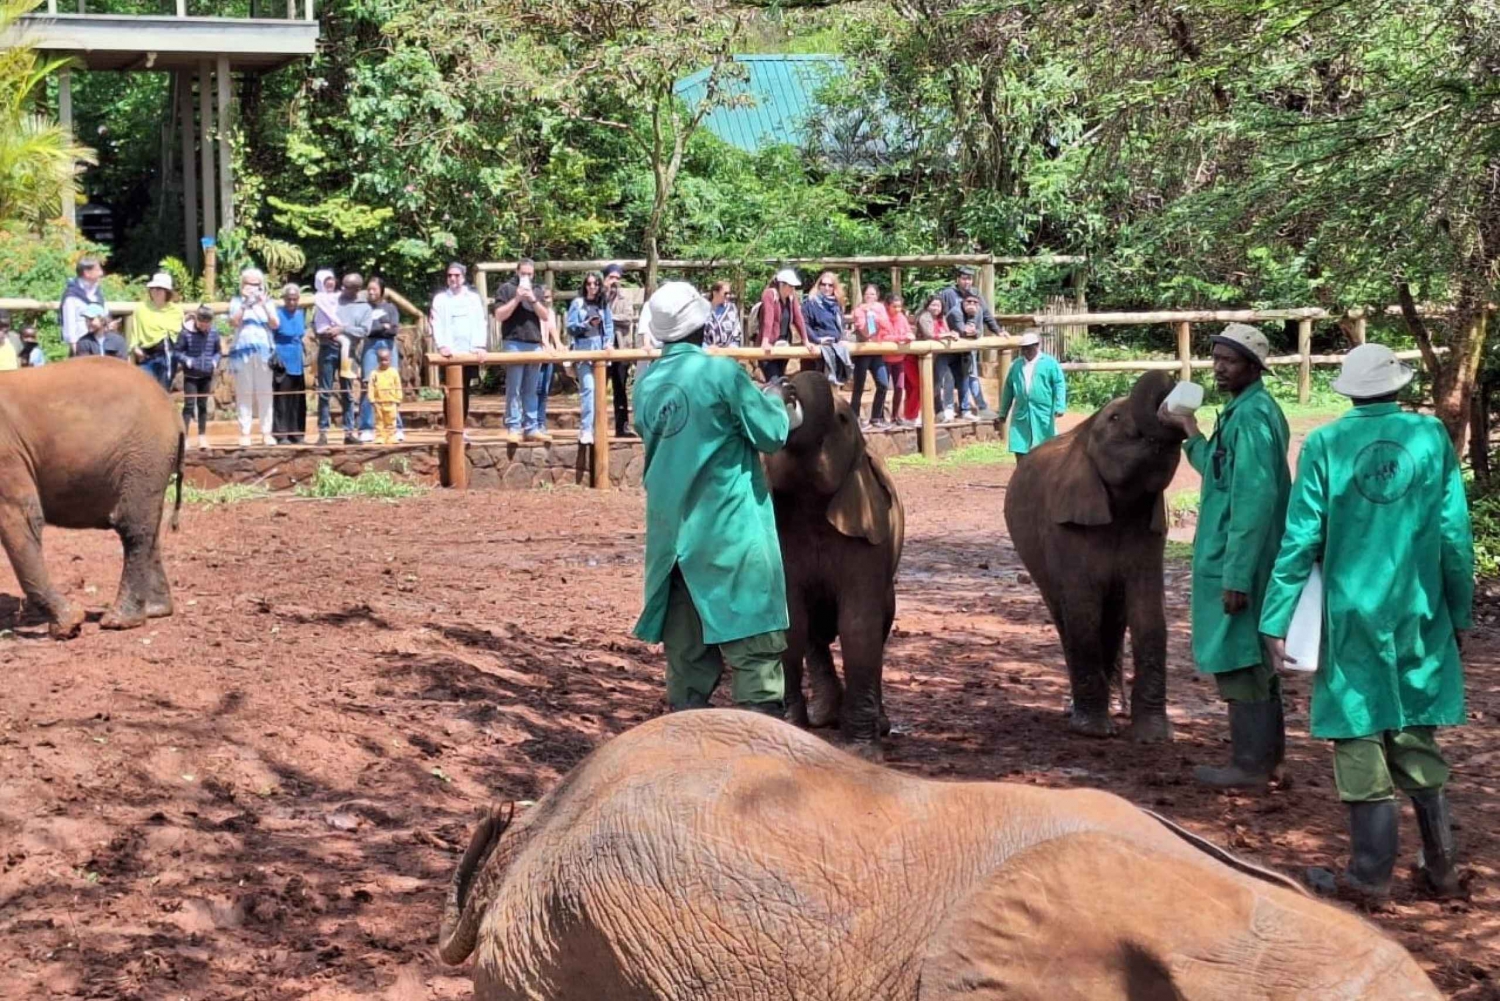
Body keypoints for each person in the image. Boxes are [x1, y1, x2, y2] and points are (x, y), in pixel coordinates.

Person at [1259, 344, 1473, 904]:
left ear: (1350, 390)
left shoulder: (1327, 444)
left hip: (1352, 611)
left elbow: (1301, 537)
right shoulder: (1430, 439)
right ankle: (1441, 869)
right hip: (1419, 608)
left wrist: (1275, 618)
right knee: (1413, 724)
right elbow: (1454, 534)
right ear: (1397, 386)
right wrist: (1461, 610)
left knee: (1357, 728)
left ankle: (1370, 875)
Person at [631, 281, 798, 717]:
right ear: (704, 323)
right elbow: (772, 433)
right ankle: (760, 766)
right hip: (729, 536)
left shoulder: (645, 385)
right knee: (756, 662)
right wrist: (775, 399)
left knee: (686, 673)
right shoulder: (722, 374)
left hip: (673, 546)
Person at [1158, 324, 1290, 789]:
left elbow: (1253, 499)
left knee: (1241, 658)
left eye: (1229, 361)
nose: (1218, 368)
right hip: (1238, 556)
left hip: (1241, 560)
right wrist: (1191, 431)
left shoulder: (1252, 418)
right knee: (1254, 655)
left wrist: (1237, 575)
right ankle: (1269, 761)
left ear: (1253, 368)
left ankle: (1251, 765)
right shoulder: (1243, 412)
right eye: (1215, 359)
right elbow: (1220, 474)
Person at [492, 258, 549, 444]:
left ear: (533, 274)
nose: (526, 277)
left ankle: (531, 426)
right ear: (517, 272)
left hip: (534, 343)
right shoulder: (506, 289)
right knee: (514, 388)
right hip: (513, 342)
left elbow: (545, 315)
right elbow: (499, 315)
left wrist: (532, 299)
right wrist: (517, 298)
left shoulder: (538, 290)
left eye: (529, 274)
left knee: (532, 389)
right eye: (523, 273)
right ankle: (513, 427)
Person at [430, 261, 488, 436]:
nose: (453, 278)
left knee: (465, 390)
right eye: (450, 275)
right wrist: (442, 346)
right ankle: (451, 428)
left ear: (463, 277)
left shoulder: (473, 298)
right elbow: (436, 323)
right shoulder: (440, 299)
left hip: (469, 352)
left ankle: (460, 427)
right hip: (449, 353)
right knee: (449, 391)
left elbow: (480, 322)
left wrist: (480, 346)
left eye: (456, 275)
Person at [228, 267, 280, 447]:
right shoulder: (236, 302)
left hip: (264, 352)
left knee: (265, 392)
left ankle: (266, 432)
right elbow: (233, 322)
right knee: (244, 392)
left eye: (256, 284)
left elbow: (275, 324)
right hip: (242, 351)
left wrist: (263, 304)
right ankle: (245, 432)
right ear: (242, 285)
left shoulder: (268, 302)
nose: (253, 288)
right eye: (249, 284)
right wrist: (245, 304)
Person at [998, 329, 1067, 461]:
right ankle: (1023, 477)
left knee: (1046, 445)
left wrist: (1060, 406)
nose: (1026, 352)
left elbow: (1059, 384)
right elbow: (1008, 389)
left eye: (1029, 348)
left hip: (1043, 411)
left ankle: (1045, 477)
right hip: (1022, 412)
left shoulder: (1049, 363)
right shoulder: (1017, 365)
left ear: (1037, 346)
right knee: (1020, 445)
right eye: (1023, 349)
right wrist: (1003, 412)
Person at [566, 271, 614, 446]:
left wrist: (609, 343)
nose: (592, 287)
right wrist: (586, 324)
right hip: (583, 351)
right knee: (588, 389)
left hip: (600, 351)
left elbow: (608, 326)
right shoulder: (577, 303)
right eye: (589, 284)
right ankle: (586, 429)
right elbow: (570, 328)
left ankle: (599, 427)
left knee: (600, 393)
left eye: (595, 284)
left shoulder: (603, 304)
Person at [360, 277, 405, 443]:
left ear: (381, 290)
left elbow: (393, 329)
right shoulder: (364, 308)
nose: (371, 292)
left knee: (390, 383)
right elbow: (366, 330)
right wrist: (382, 326)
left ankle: (395, 427)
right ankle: (367, 427)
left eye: (374, 289)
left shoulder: (390, 307)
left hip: (388, 345)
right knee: (368, 383)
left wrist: (377, 326)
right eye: (369, 289)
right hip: (370, 346)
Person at [175, 305, 221, 448]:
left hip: (206, 375)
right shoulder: (185, 333)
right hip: (191, 375)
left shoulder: (214, 333)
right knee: (188, 406)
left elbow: (218, 351)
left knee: (202, 406)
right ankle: (185, 437)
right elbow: (176, 352)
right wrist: (187, 360)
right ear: (197, 319)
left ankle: (202, 436)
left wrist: (214, 361)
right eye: (202, 323)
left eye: (207, 323)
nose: (204, 326)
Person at [128, 271, 181, 390]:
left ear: (167, 292)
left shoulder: (176, 311)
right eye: (153, 288)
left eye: (159, 289)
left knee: (162, 392)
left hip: (167, 357)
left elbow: (179, 334)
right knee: (144, 390)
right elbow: (135, 333)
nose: (155, 291)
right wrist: (135, 348)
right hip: (147, 356)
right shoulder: (141, 310)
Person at [849, 283, 892, 427]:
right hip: (863, 351)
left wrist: (876, 316)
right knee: (859, 386)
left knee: (883, 384)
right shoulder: (858, 310)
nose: (870, 297)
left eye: (873, 294)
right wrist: (868, 315)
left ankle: (876, 417)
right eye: (867, 294)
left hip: (877, 350)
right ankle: (854, 417)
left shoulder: (880, 308)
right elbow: (865, 332)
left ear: (877, 296)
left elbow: (887, 326)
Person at [272, 283, 309, 444]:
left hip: (297, 360)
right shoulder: (277, 315)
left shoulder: (301, 314)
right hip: (283, 360)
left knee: (298, 399)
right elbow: (270, 337)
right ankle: (281, 435)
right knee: (282, 399)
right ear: (284, 299)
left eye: (295, 299)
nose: (292, 302)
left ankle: (297, 433)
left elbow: (302, 335)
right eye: (289, 299)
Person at [603, 263, 636, 438]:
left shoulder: (625, 297)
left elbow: (628, 318)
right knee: (598, 389)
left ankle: (622, 427)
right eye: (611, 277)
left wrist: (608, 318)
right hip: (602, 349)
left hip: (621, 347)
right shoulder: (599, 296)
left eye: (617, 278)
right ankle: (596, 426)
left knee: (620, 389)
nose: (614, 281)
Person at [757, 268, 807, 382]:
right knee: (774, 380)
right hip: (769, 347)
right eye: (790, 286)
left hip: (784, 346)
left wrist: (805, 340)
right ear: (781, 284)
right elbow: (768, 319)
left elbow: (798, 318)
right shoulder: (769, 294)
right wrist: (765, 341)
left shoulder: (791, 297)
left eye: (794, 286)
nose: (792, 289)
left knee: (781, 378)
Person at [802, 271, 852, 384]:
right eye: (823, 284)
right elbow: (804, 325)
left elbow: (840, 326)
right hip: (817, 352)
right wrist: (817, 339)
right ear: (819, 285)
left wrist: (843, 338)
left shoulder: (836, 305)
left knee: (832, 390)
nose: (826, 287)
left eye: (830, 285)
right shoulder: (810, 303)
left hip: (836, 346)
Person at [59, 257, 105, 355]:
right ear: (87, 273)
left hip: (100, 347)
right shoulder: (72, 295)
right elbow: (69, 326)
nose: (101, 273)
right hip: (82, 349)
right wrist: (76, 352)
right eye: (97, 270)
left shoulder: (98, 294)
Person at [914, 295, 949, 422]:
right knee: (925, 384)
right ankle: (921, 413)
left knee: (936, 384)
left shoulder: (941, 318)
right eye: (933, 305)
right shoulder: (924, 317)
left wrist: (951, 334)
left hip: (938, 356)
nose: (935, 308)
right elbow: (929, 334)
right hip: (924, 356)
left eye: (938, 305)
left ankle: (939, 412)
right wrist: (946, 335)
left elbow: (947, 331)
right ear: (927, 305)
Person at [534, 285, 562, 433]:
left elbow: (552, 329)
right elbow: (538, 334)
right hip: (538, 353)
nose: (547, 300)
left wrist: (558, 344)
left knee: (544, 390)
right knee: (535, 389)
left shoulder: (550, 312)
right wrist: (546, 345)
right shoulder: (534, 311)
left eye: (549, 297)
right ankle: (531, 422)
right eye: (544, 297)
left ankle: (541, 422)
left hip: (548, 354)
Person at [884, 295, 916, 425]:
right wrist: (899, 338)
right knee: (883, 387)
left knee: (899, 387)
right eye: (894, 306)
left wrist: (909, 337)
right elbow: (883, 337)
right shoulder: (883, 318)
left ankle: (895, 415)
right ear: (888, 306)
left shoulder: (902, 318)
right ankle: (879, 415)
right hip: (884, 358)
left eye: (899, 306)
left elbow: (908, 332)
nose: (897, 309)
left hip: (899, 358)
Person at [368, 346, 403, 444]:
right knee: (379, 421)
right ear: (378, 360)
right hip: (378, 402)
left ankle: (391, 436)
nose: (384, 362)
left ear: (390, 359)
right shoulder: (374, 373)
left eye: (386, 360)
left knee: (391, 420)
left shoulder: (393, 372)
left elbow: (398, 385)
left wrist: (398, 398)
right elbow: (371, 386)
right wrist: (371, 398)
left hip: (391, 401)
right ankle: (380, 437)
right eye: (381, 360)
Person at [706, 281, 742, 348]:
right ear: (715, 293)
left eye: (729, 293)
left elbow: (736, 330)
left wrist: (733, 345)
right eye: (725, 293)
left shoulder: (731, 308)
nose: (728, 296)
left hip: (728, 352)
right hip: (707, 352)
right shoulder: (704, 309)